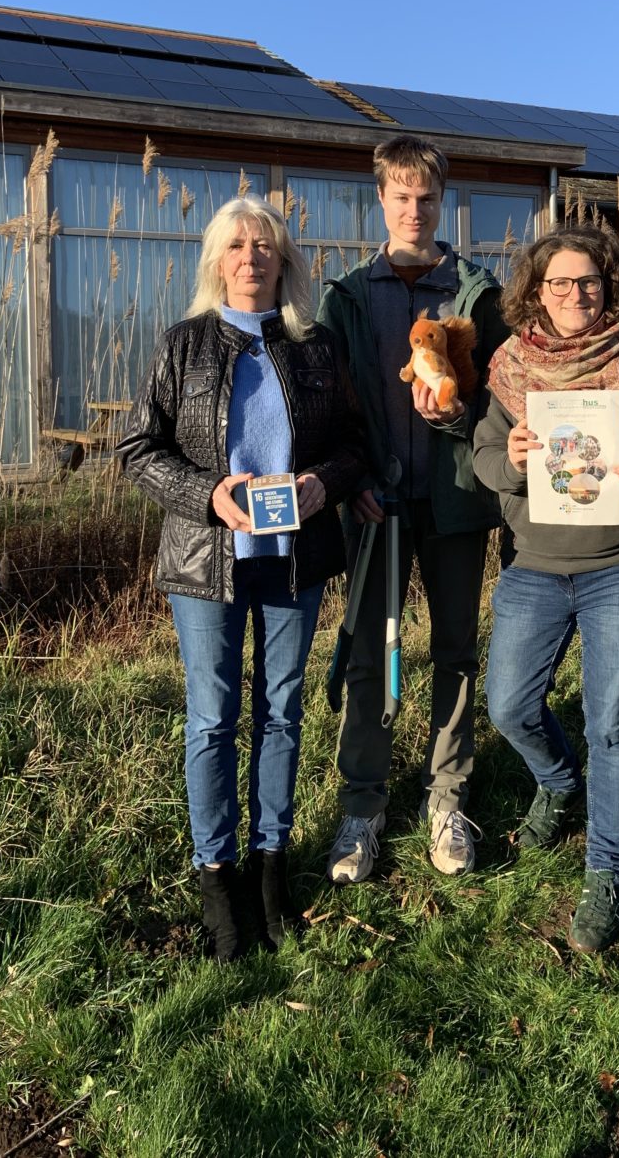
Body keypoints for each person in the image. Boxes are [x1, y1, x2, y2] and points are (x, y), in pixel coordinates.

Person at [119, 195, 365, 961]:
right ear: (216, 260)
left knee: (283, 712)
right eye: (237, 244)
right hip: (205, 562)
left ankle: (271, 864)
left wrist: (324, 484)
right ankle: (216, 875)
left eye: (266, 245)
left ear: (285, 260)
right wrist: (207, 494)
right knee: (213, 716)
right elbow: (137, 448)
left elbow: (357, 443)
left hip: (294, 559)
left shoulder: (315, 346)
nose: (252, 256)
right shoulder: (184, 345)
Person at [473, 227, 619, 953]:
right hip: (534, 561)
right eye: (559, 283)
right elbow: (484, 455)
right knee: (508, 704)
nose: (574, 295)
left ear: (607, 284)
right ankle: (558, 782)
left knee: (613, 719)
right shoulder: (512, 364)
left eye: (587, 281)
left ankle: (606, 870)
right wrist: (513, 456)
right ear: (536, 289)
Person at [318, 135, 509, 882]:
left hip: (457, 503)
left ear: (441, 199)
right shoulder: (349, 296)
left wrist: (454, 420)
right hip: (373, 505)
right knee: (371, 654)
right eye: (400, 195)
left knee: (456, 651)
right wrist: (352, 477)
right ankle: (362, 804)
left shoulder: (475, 293)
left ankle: (448, 796)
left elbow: (498, 399)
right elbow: (329, 405)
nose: (413, 208)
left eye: (426, 196)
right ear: (381, 200)